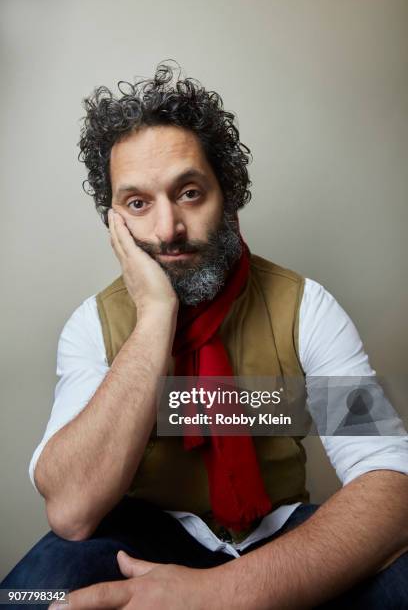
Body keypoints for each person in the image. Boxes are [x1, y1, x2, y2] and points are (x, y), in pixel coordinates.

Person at [1, 63, 408, 609]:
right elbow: (72, 512)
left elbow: (389, 480)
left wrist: (222, 593)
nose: (167, 229)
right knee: (31, 594)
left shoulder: (306, 308)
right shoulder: (92, 327)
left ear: (228, 193)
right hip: (146, 540)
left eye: (189, 192)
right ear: (115, 221)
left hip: (278, 538)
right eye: (138, 203)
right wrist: (153, 317)